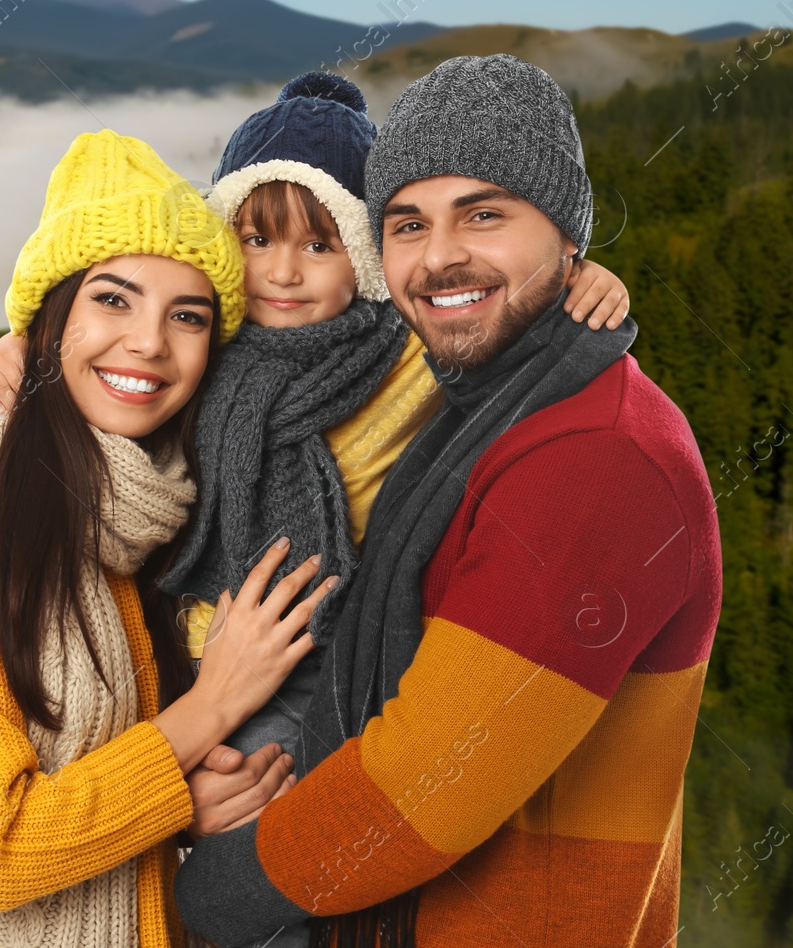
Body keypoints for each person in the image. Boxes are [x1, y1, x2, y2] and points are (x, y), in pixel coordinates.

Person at [0, 71, 631, 948]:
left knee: (272, 862)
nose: (282, 271)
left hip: (316, 656)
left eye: (320, 245)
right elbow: (122, 374)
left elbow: (481, 323)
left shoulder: (396, 353)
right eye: (255, 238)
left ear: (362, 258)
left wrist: (584, 282)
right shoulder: (208, 351)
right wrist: (22, 339)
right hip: (182, 653)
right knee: (192, 837)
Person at [174, 55, 722, 948]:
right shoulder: (488, 400)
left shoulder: (596, 456)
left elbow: (416, 787)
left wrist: (193, 890)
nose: (438, 257)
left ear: (569, 236)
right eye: (407, 223)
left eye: (485, 213)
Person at [0, 129, 332, 948]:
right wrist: (210, 710)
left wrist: (566, 286)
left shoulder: (152, 528)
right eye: (113, 299)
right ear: (48, 320)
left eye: (188, 316)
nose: (148, 341)